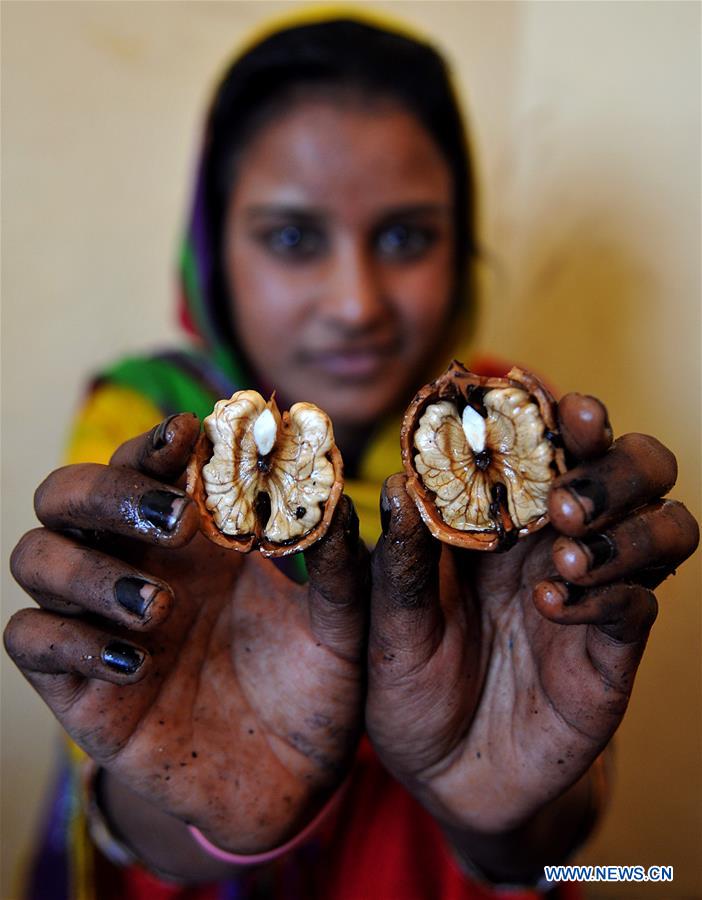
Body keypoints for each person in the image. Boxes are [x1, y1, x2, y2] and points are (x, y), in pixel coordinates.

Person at [5, 13, 698, 900]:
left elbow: (553, 849)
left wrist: (501, 810)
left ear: (462, 242)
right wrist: (210, 799)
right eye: (293, 239)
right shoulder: (151, 436)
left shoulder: (514, 435)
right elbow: (115, 796)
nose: (356, 303)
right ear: (213, 249)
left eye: (407, 237)